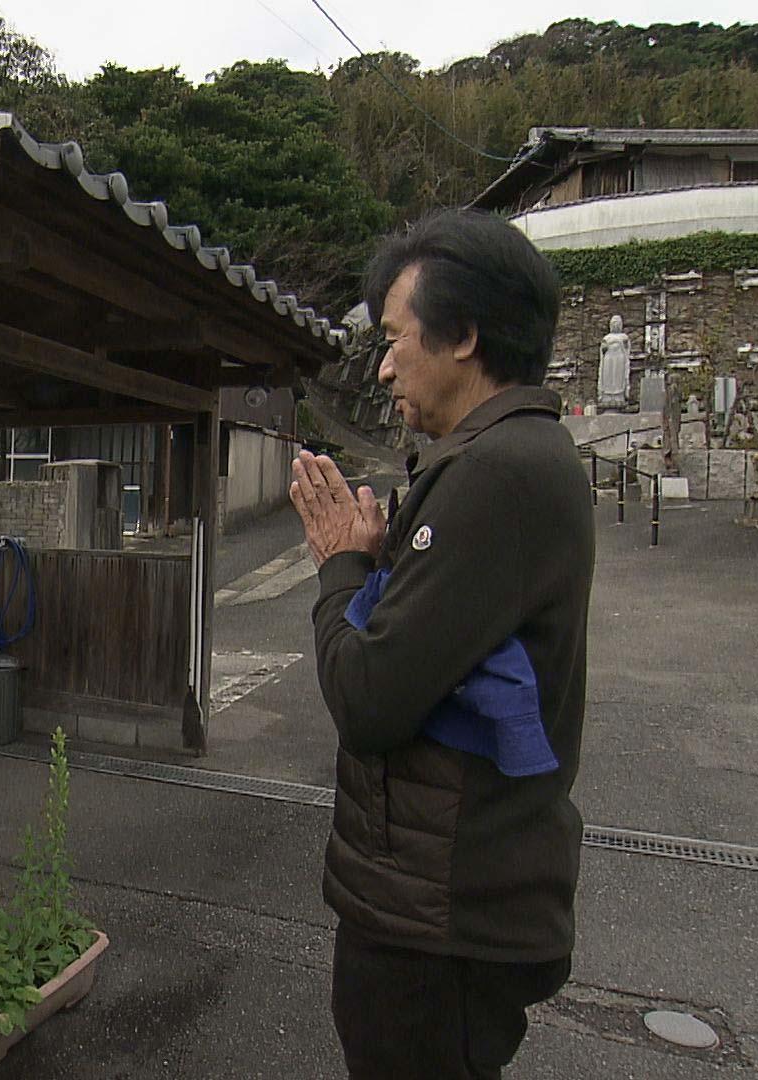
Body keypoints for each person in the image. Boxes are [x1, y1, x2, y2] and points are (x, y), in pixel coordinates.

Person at [289, 209, 594, 1079]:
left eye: (394, 338)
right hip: (447, 896)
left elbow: (371, 699)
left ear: (464, 334)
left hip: (439, 915)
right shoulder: (518, 459)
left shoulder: (497, 473)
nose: (382, 365)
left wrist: (343, 568)